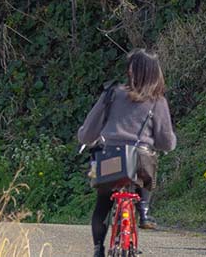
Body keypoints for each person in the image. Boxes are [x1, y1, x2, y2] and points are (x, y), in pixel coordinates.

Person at [76, 50, 177, 257]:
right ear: (155, 73)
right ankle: (144, 211)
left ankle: (98, 250)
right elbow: (166, 142)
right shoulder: (158, 101)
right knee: (145, 172)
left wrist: (84, 137)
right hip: (141, 160)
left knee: (103, 204)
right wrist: (167, 144)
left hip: (109, 157)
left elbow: (88, 132)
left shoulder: (112, 94)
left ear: (130, 71)